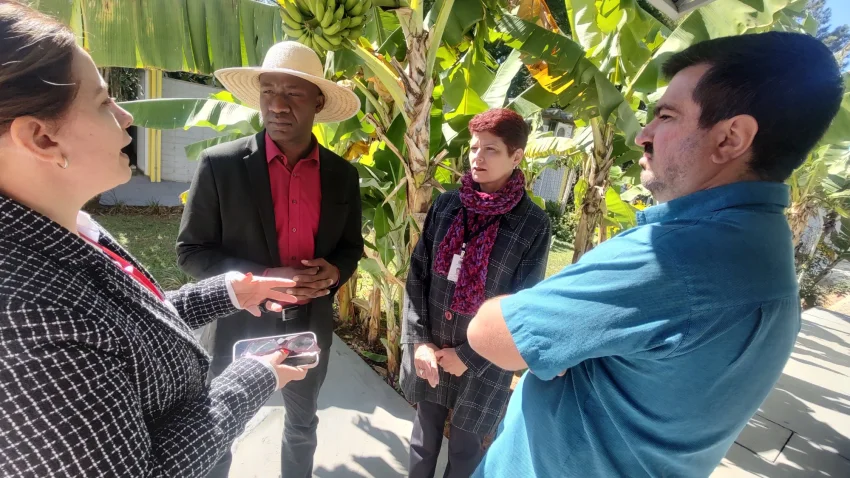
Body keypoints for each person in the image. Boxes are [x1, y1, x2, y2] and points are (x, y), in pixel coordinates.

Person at [465, 31, 844, 477]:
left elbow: (491, 334)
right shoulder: (765, 252)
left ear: (730, 138)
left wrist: (533, 328)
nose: (642, 135)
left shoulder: (674, 257)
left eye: (666, 115)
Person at [0, 3, 311, 477]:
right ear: (42, 138)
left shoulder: (69, 229)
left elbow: (126, 331)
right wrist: (255, 375)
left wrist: (227, 292)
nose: (126, 116)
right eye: (103, 102)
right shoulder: (26, 316)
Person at [177, 40, 364, 478]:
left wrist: (335, 271)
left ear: (318, 102)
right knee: (219, 429)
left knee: (302, 424)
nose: (278, 105)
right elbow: (191, 251)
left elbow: (350, 247)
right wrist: (261, 277)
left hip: (308, 325)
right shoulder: (220, 165)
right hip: (238, 325)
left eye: (293, 93)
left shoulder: (341, 175)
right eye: (268, 92)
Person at [401, 108, 552, 478]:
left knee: (466, 450)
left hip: (484, 360)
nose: (477, 158)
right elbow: (418, 273)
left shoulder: (532, 224)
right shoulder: (447, 205)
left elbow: (522, 305)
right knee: (423, 441)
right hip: (433, 347)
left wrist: (469, 356)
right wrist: (420, 341)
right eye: (473, 148)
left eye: (491, 149)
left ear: (516, 156)